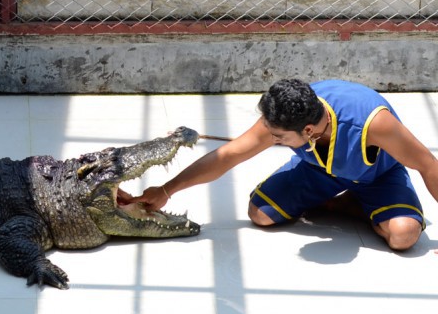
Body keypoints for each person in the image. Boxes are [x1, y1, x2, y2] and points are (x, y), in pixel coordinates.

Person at [128, 78, 438, 251]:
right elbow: (229, 155)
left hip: (378, 177)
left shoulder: (373, 122)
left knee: (404, 236)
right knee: (260, 215)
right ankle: (342, 205)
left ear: (307, 132)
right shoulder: (286, 116)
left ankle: (363, 204)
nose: (270, 137)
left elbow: (428, 164)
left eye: (278, 137)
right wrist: (168, 190)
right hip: (320, 173)